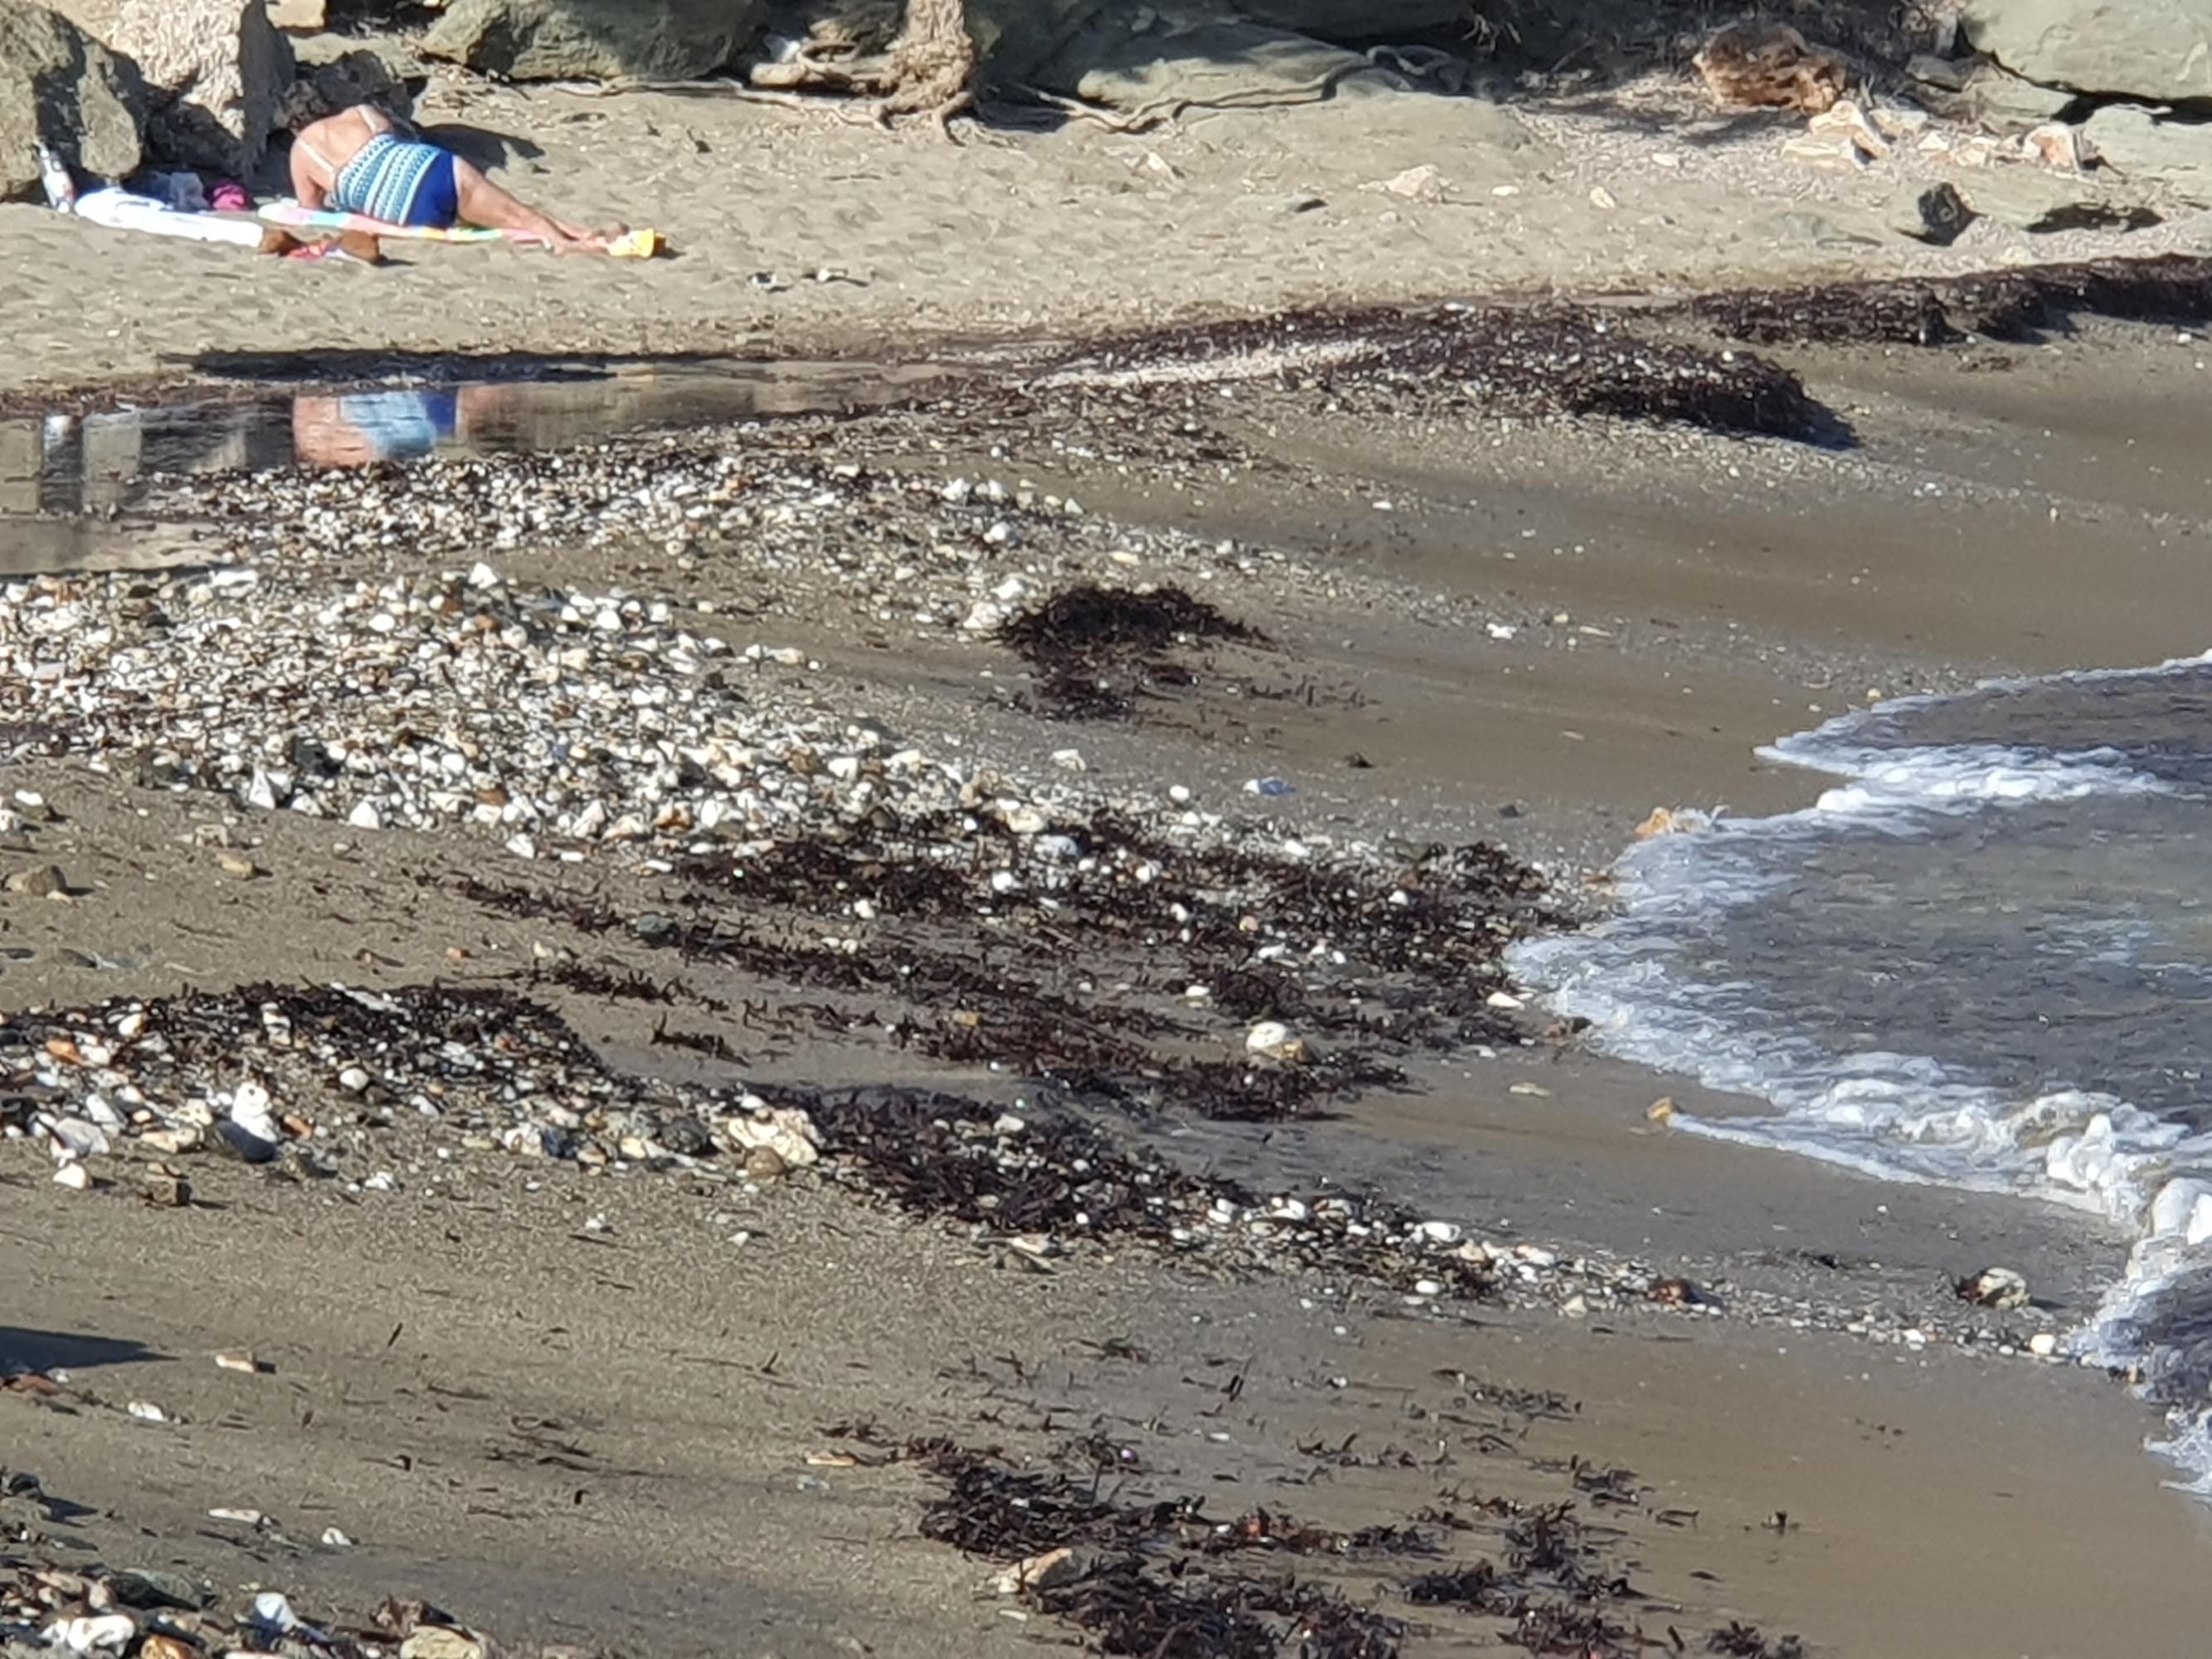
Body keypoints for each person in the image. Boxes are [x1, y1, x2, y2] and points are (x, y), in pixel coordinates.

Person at [283, 92, 622, 254]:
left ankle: (574, 239)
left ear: (295, 125)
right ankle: (577, 237)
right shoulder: (361, 112)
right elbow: (396, 146)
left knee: (499, 218)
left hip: (403, 210)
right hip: (432, 169)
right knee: (514, 212)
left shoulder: (302, 152)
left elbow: (311, 211)